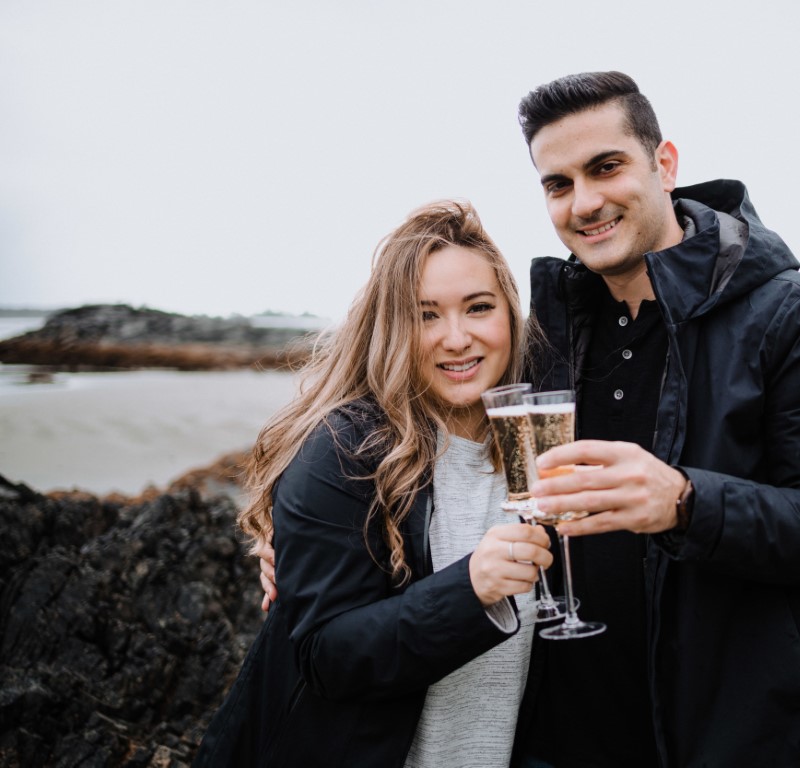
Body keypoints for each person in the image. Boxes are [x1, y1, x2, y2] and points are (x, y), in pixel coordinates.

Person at [512, 72, 800, 767]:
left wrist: (685, 502)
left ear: (665, 164)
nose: (584, 202)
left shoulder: (797, 314)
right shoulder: (550, 330)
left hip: (735, 740)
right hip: (564, 739)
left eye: (606, 167)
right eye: (558, 184)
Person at [194, 200, 553, 768]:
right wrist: (470, 590)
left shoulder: (541, 439)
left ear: (510, 314)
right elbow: (326, 656)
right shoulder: (347, 451)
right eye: (426, 315)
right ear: (394, 328)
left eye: (479, 307)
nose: (456, 337)